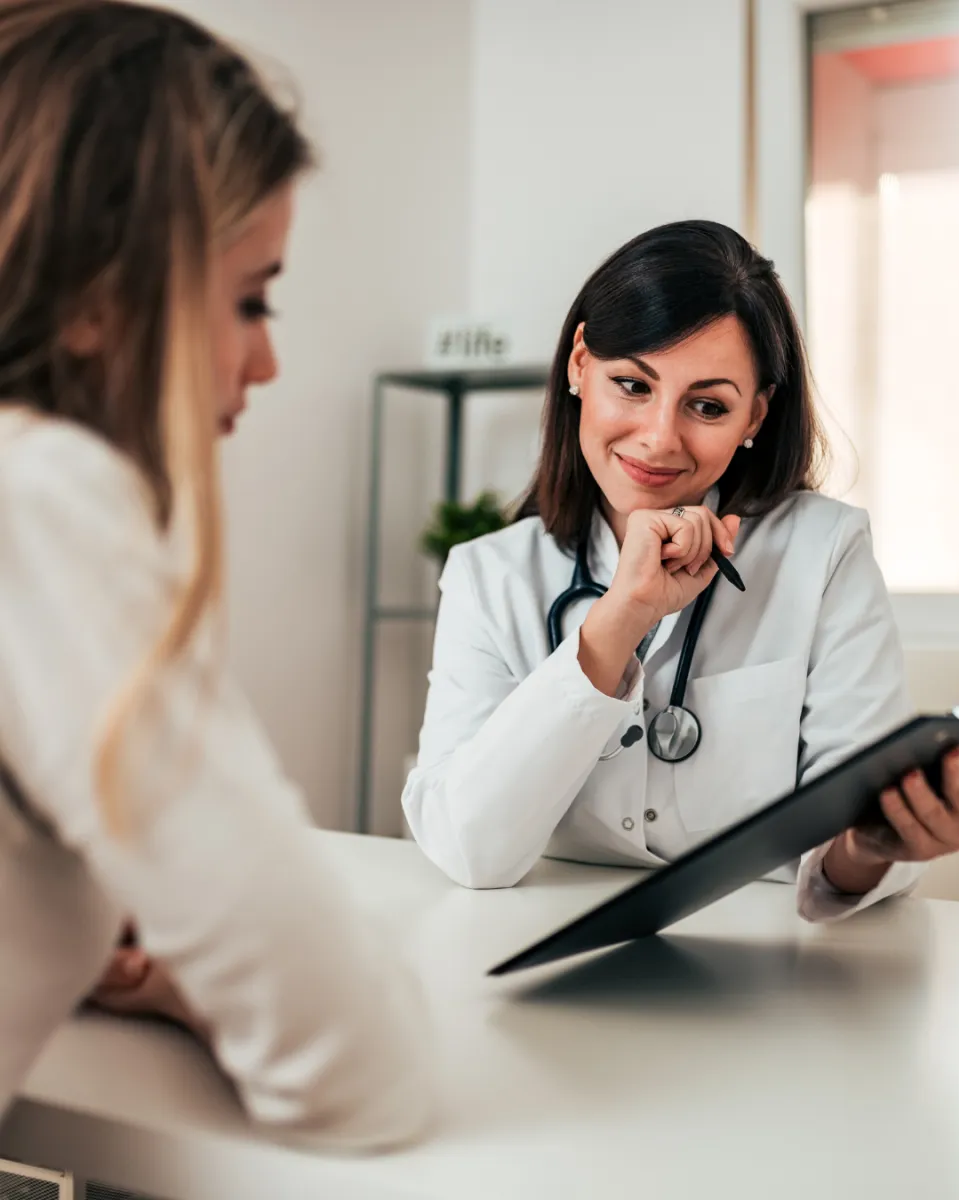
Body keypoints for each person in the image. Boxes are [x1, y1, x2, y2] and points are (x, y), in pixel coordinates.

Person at [0, 0, 430, 1149]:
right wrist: (203, 981)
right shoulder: (40, 499)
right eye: (252, 297)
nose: (270, 358)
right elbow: (359, 1070)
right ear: (97, 296)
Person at [402, 220, 959, 917]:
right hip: (540, 946)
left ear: (756, 413)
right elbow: (469, 851)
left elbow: (841, 841)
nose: (660, 438)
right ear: (579, 365)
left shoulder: (824, 551)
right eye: (632, 384)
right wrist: (616, 622)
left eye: (708, 405)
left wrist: (873, 847)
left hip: (769, 968)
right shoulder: (490, 577)